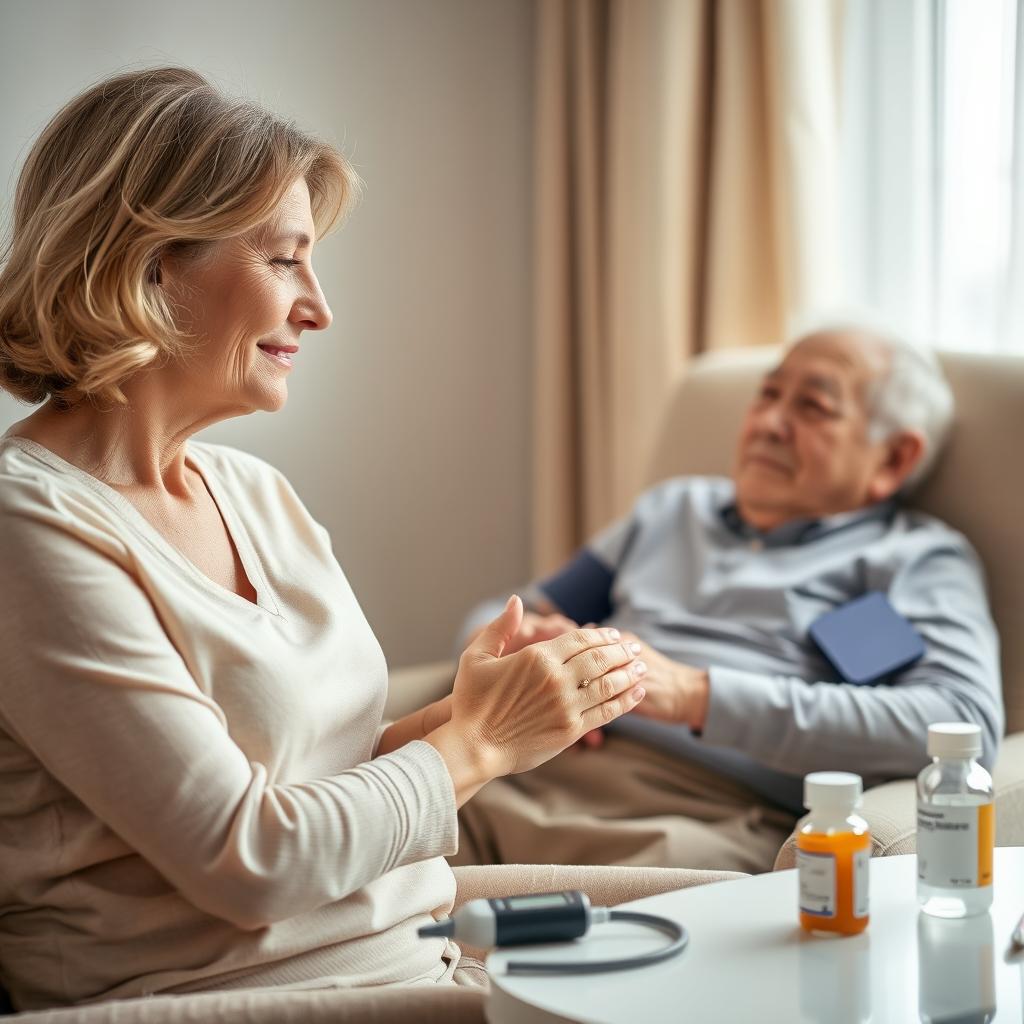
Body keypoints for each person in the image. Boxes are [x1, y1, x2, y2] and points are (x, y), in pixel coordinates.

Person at [0, 67, 650, 1012]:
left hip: (406, 943)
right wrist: (480, 746)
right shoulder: (31, 530)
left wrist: (473, 713)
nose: (319, 306)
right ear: (144, 266)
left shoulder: (257, 495)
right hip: (230, 991)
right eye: (282, 260)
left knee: (763, 918)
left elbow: (319, 774)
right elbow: (252, 860)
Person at [453, 323, 1004, 874]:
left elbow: (962, 725)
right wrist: (525, 648)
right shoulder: (674, 510)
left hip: (700, 813)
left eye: (812, 406)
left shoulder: (913, 559)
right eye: (767, 394)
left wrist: (696, 695)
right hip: (527, 767)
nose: (768, 423)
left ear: (893, 460)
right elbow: (503, 613)